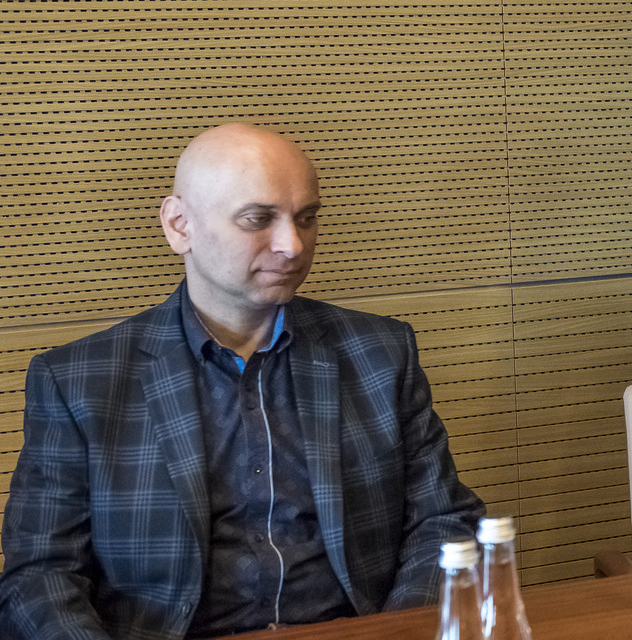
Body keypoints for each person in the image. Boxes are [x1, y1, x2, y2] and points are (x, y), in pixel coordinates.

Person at [0, 124, 483, 639]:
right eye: (258, 218)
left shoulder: (379, 354)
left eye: (306, 218)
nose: (292, 245)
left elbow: (444, 522)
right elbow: (39, 576)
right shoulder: (78, 381)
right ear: (179, 225)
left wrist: (396, 633)